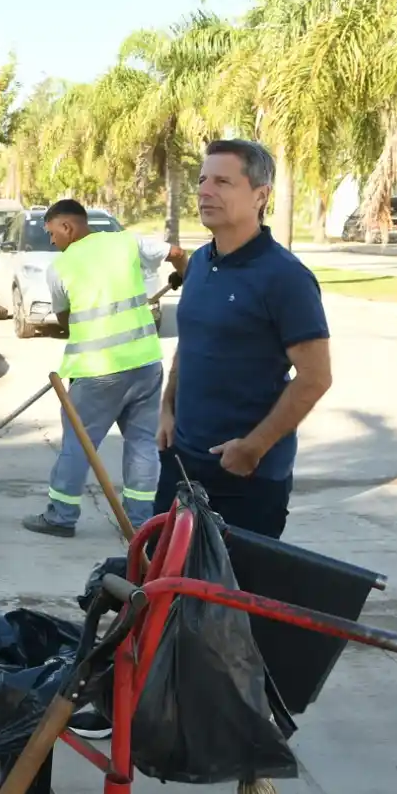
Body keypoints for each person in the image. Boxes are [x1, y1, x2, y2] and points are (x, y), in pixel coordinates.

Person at [155, 138, 332, 540]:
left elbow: (315, 377)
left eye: (222, 181)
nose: (205, 191)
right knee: (164, 589)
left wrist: (253, 447)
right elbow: (191, 341)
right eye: (202, 180)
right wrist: (167, 409)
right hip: (182, 464)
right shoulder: (199, 262)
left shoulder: (285, 277)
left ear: (260, 195)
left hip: (246, 475)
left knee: (234, 598)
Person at [22, 199, 187, 540]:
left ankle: (61, 516)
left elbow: (65, 321)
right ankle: (140, 523)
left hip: (98, 371)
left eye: (53, 233)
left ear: (68, 227)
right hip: (144, 364)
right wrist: (183, 274)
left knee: (79, 444)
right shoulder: (126, 241)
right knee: (142, 443)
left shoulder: (61, 268)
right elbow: (176, 252)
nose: (52, 242)